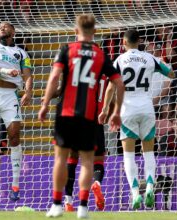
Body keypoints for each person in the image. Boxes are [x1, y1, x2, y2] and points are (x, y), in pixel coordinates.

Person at [38, 14, 125, 218]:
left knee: (61, 159)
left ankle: (58, 204)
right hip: (89, 116)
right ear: (94, 32)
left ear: (76, 31)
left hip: (66, 113)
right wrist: (116, 112)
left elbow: (53, 78)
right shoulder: (101, 55)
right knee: (88, 162)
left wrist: (44, 104)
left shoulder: (67, 50)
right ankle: (83, 208)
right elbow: (119, 83)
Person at [99, 29, 175, 210]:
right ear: (139, 41)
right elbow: (171, 74)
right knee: (148, 152)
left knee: (129, 155)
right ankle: (150, 186)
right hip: (147, 109)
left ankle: (135, 194)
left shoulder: (119, 60)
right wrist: (164, 64)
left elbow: (110, 88)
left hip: (127, 110)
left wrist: (104, 110)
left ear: (124, 43)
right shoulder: (150, 58)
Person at [0, 21, 33, 201]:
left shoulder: (22, 53)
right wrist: (5, 70)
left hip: (11, 95)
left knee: (14, 135)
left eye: (6, 26)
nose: (2, 28)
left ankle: (15, 185)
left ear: (14, 31)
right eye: (0, 26)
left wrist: (28, 91)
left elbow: (27, 75)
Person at [63, 75, 110, 212]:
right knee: (98, 161)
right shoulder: (105, 73)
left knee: (72, 159)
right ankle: (96, 183)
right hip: (96, 121)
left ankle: (68, 202)